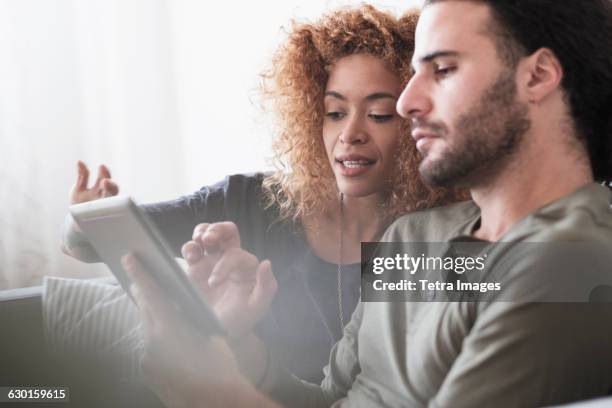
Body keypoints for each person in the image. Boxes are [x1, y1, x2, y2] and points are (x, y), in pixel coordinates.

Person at [124, 0, 612, 407]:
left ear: (539, 75)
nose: (406, 103)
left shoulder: (573, 263)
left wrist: (208, 389)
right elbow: (334, 401)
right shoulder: (410, 237)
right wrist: (239, 349)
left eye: (442, 69)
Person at [61, 5, 461, 383]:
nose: (350, 133)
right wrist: (87, 215)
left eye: (379, 114)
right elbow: (85, 242)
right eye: (334, 113)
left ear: (417, 122)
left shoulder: (445, 236)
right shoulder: (248, 202)